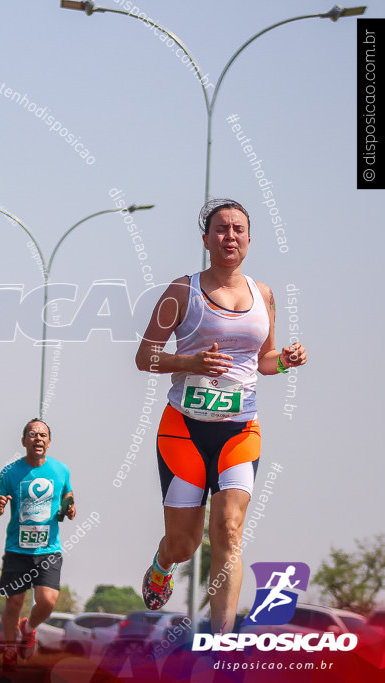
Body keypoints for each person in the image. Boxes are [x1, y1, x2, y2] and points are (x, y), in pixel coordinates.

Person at [134, 199, 308, 635]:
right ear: (206, 238)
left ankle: (221, 644)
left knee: (228, 529)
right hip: (183, 429)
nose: (230, 236)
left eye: (238, 229)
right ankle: (162, 564)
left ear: (249, 239)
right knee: (185, 544)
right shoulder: (181, 291)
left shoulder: (263, 294)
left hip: (240, 429)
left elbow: (263, 360)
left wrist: (285, 360)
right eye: (221, 229)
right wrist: (189, 363)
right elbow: (144, 357)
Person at [0, 419, 75, 673]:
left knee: (47, 601)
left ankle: (27, 629)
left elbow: (68, 494)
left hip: (49, 548)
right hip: (18, 548)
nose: (38, 438)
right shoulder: (9, 472)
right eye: (33, 434)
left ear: (50, 441)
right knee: (13, 603)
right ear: (24, 440)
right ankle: (8, 650)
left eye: (43, 435)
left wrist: (70, 506)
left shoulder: (61, 470)